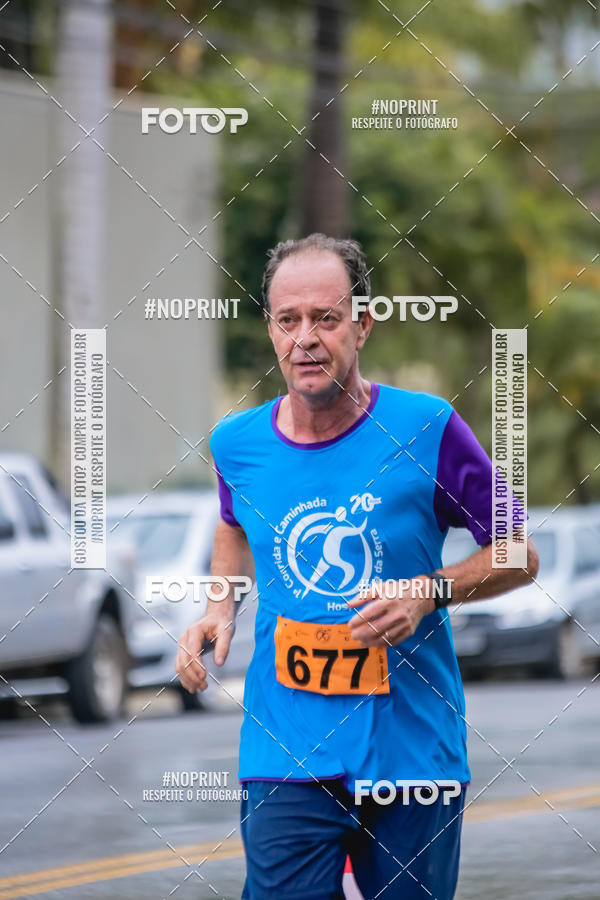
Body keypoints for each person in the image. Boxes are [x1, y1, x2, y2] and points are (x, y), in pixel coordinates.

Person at [176, 234, 539, 900]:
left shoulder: (428, 428)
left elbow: (519, 550)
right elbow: (233, 525)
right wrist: (219, 607)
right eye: (289, 320)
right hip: (284, 750)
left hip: (411, 752)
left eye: (326, 318)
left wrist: (429, 592)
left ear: (362, 325)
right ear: (271, 329)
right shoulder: (238, 443)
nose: (305, 338)